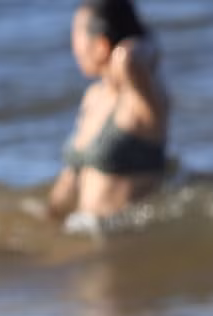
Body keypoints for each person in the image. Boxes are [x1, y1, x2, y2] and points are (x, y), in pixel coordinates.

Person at [46, 0, 170, 222]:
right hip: (84, 230)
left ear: (101, 45)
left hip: (126, 240)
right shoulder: (93, 97)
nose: (73, 48)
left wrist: (132, 46)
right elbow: (71, 174)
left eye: (77, 36)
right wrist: (50, 217)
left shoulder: (144, 103)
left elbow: (131, 59)